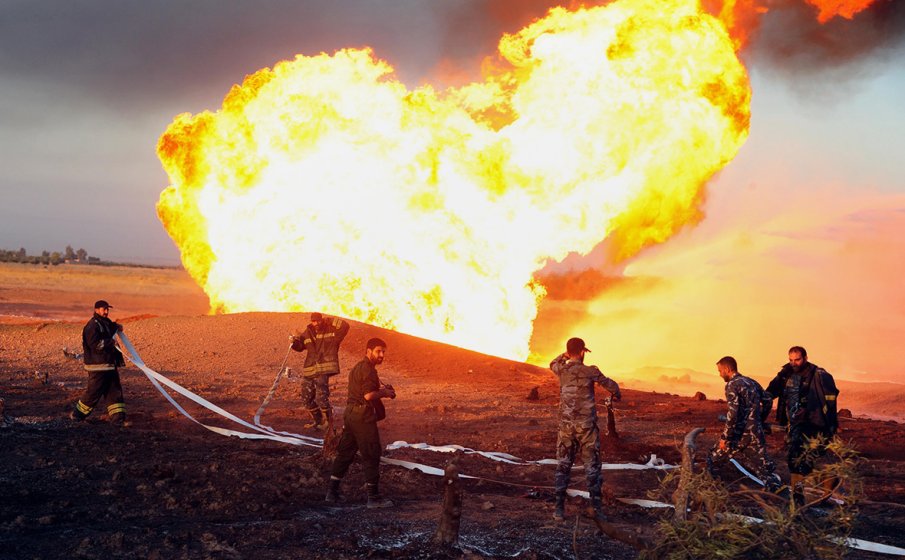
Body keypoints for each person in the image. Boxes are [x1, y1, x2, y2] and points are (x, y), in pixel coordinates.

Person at [549, 337, 621, 521]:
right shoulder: (591, 371)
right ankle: (597, 511)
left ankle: (558, 509)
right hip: (586, 428)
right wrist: (617, 392)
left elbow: (552, 363)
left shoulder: (562, 369)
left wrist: (564, 355)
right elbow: (611, 385)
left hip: (566, 427)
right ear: (582, 352)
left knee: (563, 466)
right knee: (592, 468)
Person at [325, 337, 396, 508]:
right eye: (378, 351)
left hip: (350, 415)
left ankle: (331, 493)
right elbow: (368, 396)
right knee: (371, 454)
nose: (382, 355)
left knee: (345, 453)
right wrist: (385, 393)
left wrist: (381, 390)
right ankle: (374, 498)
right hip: (362, 416)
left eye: (383, 352)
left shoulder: (358, 367)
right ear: (368, 350)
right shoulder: (368, 370)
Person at [706, 356, 781, 492]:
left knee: (713, 460)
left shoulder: (732, 385)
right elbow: (768, 401)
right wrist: (759, 419)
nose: (719, 374)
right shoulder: (751, 382)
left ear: (727, 369)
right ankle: (779, 498)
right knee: (764, 470)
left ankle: (712, 490)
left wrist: (725, 438)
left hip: (737, 436)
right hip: (755, 434)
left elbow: (733, 414)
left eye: (720, 371)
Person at [782, 346, 839, 503]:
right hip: (797, 427)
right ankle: (798, 496)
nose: (794, 363)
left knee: (809, 458)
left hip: (817, 426)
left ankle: (828, 482)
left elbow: (830, 404)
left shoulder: (819, 375)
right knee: (796, 460)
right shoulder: (788, 374)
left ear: (806, 358)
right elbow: (777, 392)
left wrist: (830, 428)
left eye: (797, 359)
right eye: (791, 360)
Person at [289, 312, 350, 429]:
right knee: (306, 398)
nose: (316, 323)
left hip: (324, 368)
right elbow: (300, 346)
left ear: (322, 320)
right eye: (314, 321)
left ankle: (328, 423)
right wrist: (293, 343)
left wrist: (330, 320)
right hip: (310, 369)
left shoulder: (331, 330)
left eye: (318, 321)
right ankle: (318, 421)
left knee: (321, 397)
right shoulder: (308, 332)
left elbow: (345, 326)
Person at [70, 300, 126, 425]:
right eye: (103, 309)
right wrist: (110, 343)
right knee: (93, 392)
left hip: (109, 365)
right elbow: (95, 344)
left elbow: (109, 328)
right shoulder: (92, 326)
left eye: (107, 309)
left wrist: (117, 326)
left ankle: (118, 419)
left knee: (114, 391)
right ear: (96, 310)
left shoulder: (104, 323)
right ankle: (77, 415)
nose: (106, 312)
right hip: (98, 367)